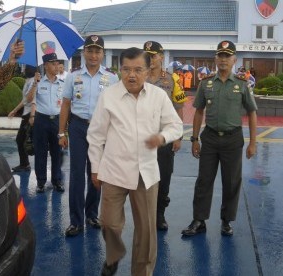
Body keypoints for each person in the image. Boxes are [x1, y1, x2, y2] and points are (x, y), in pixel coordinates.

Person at [87, 47, 182, 276]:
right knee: (109, 223)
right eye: (127, 69)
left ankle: (142, 272)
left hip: (146, 172)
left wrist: (162, 137)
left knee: (147, 233)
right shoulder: (108, 96)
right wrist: (95, 168)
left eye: (138, 70)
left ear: (148, 72)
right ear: (120, 71)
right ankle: (114, 254)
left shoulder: (158, 96)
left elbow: (175, 125)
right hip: (114, 170)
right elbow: (96, 135)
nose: (132, 75)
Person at [181, 40, 257, 237]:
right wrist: (195, 139)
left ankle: (226, 220)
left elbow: (252, 112)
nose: (223, 60)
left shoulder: (241, 85)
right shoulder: (206, 83)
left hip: (233, 140)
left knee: (231, 182)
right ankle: (199, 219)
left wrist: (253, 143)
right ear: (215, 59)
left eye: (227, 56)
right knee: (204, 180)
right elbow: (198, 112)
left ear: (234, 60)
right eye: (220, 56)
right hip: (210, 139)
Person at [58, 35, 119, 237]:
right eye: (90, 51)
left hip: (101, 129)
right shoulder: (72, 76)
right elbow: (66, 104)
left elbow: (117, 108)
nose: (93, 55)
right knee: (76, 175)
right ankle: (76, 221)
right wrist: (61, 132)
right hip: (77, 127)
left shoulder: (112, 78)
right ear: (84, 53)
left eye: (97, 51)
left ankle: (92, 214)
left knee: (97, 173)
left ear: (103, 54)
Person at [143, 41, 186, 231]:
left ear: (161, 56)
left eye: (153, 55)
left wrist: (178, 136)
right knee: (143, 177)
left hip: (164, 137)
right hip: (142, 137)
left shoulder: (172, 80)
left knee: (163, 176)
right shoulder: (139, 77)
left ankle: (159, 214)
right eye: (147, 55)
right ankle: (145, 214)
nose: (150, 59)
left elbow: (179, 109)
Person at [29, 52, 65, 193]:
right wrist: (34, 84)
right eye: (53, 64)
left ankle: (57, 181)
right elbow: (29, 99)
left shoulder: (63, 83)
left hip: (57, 120)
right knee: (41, 152)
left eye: (57, 63)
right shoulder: (38, 82)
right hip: (41, 121)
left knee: (57, 152)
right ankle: (41, 182)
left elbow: (66, 103)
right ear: (45, 65)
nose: (56, 66)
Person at [8, 65, 39, 172]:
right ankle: (24, 163)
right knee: (23, 140)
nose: (24, 70)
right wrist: (15, 110)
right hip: (26, 113)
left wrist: (35, 82)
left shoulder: (33, 82)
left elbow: (29, 99)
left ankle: (25, 164)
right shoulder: (28, 81)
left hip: (30, 114)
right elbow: (25, 100)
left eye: (26, 68)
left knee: (21, 139)